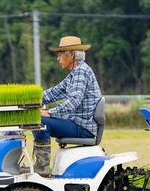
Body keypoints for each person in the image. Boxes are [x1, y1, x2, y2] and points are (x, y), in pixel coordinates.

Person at [32, 35, 102, 176]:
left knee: (40, 122)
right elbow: (54, 93)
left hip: (82, 127)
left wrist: (50, 113)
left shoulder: (81, 72)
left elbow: (73, 101)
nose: (58, 59)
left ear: (71, 55)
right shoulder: (75, 73)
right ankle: (41, 167)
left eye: (59, 55)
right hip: (75, 123)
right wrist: (29, 101)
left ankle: (41, 169)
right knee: (39, 120)